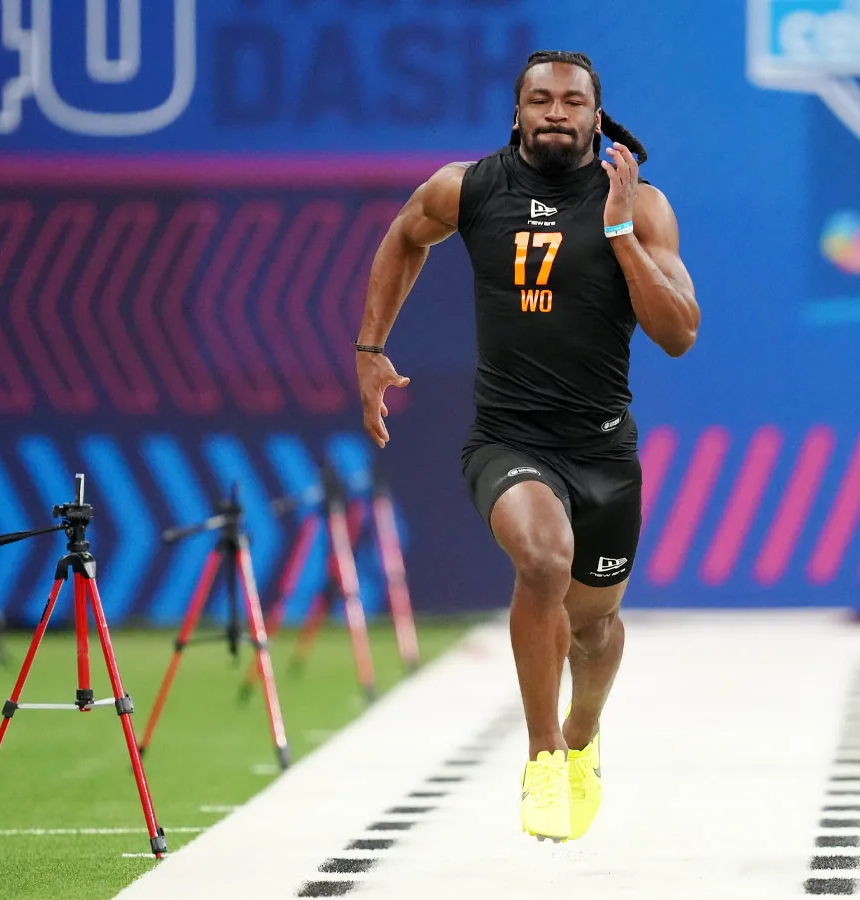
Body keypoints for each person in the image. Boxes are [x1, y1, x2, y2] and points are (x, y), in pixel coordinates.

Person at [352, 50, 699, 842]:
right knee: (542, 561)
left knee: (594, 630)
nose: (555, 112)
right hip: (508, 440)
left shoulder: (640, 205)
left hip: (603, 451)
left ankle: (581, 735)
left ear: (596, 119)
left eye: (572, 101)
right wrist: (370, 349)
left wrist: (619, 233)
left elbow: (679, 333)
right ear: (517, 114)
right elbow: (406, 236)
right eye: (540, 99)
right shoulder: (469, 188)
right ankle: (543, 757)